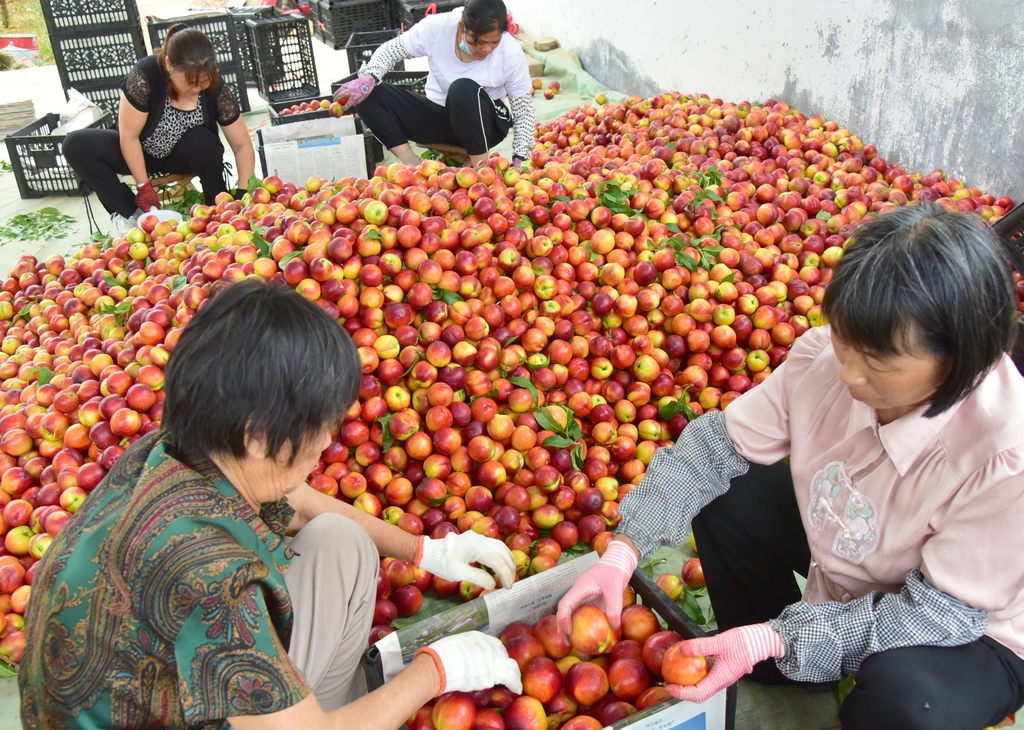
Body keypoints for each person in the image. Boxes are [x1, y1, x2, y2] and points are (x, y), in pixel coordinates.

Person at [557, 204, 1024, 730]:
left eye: (877, 363)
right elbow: (713, 450)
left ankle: (799, 655)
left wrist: (781, 637)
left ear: (957, 363)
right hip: (852, 541)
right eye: (845, 340)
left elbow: (939, 613)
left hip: (966, 627)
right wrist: (625, 549)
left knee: (909, 701)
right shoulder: (826, 361)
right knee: (725, 492)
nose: (849, 375)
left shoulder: (1007, 455)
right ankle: (780, 668)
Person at [19, 280, 521, 729]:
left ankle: (337, 708)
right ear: (257, 437)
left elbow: (298, 502)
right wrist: (436, 671)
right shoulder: (212, 576)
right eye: (322, 426)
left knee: (341, 543)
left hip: (129, 688)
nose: (328, 442)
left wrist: (425, 551)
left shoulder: (168, 450)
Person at [64, 25, 255, 235]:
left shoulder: (217, 89)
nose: (196, 89)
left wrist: (242, 194)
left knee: (204, 141)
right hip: (137, 151)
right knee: (77, 145)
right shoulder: (146, 76)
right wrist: (144, 187)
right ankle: (130, 214)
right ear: (169, 64)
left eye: (202, 82)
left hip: (182, 156)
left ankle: (216, 211)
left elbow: (241, 145)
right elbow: (129, 137)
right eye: (189, 82)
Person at [333, 0, 534, 168]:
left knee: (463, 89)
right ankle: (414, 167)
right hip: (438, 115)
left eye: (494, 42)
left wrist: (520, 158)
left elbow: (523, 110)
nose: (487, 49)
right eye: (480, 42)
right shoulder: (437, 28)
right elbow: (391, 50)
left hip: (485, 124)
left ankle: (481, 174)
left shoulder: (510, 52)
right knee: (369, 96)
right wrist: (370, 77)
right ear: (462, 28)